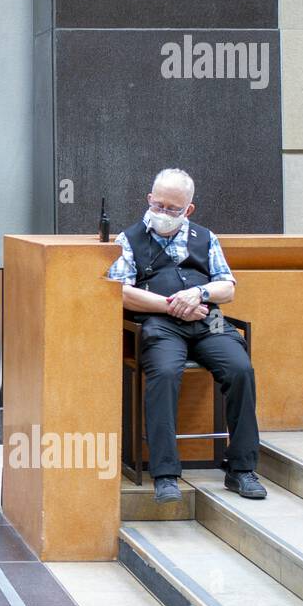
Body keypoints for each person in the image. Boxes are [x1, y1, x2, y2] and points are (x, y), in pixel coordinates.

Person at [106, 168, 267, 504]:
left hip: (210, 319)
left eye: (172, 209)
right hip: (158, 322)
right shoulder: (129, 239)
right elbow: (121, 292)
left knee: (241, 370)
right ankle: (165, 474)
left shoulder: (206, 238)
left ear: (188, 210)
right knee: (163, 374)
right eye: (159, 205)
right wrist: (173, 306)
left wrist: (200, 294)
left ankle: (241, 469)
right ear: (149, 199)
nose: (163, 213)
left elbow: (227, 287)